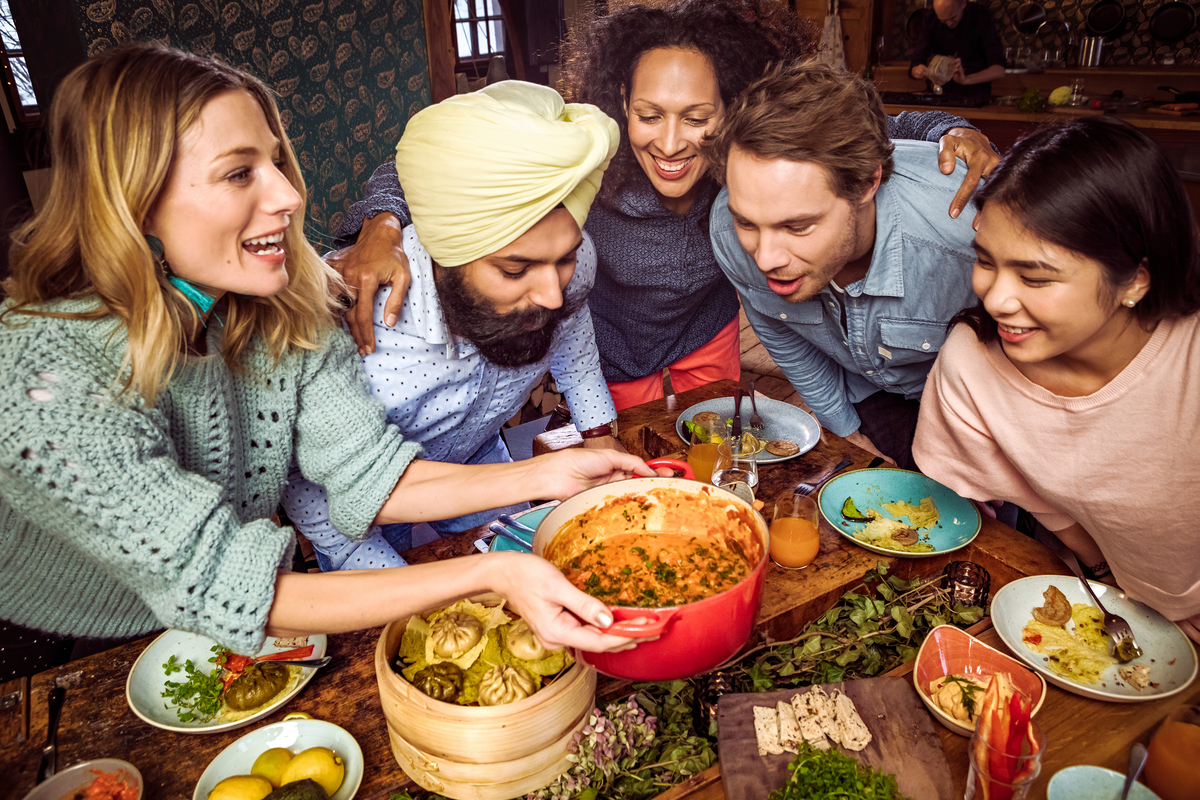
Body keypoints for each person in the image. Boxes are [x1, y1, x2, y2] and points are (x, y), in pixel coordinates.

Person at [0, 43, 659, 681]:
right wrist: (490, 572)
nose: (288, 194)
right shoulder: (45, 375)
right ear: (132, 200)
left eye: (277, 161)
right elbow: (227, 575)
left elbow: (371, 476)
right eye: (240, 172)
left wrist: (551, 472)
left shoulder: (284, 304)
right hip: (57, 644)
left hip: (217, 612)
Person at [335, 0, 1000, 413]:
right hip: (618, 349)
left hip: (706, 332)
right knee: (634, 468)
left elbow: (866, 128)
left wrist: (951, 130)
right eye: (650, 115)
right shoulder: (586, 153)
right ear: (622, 102)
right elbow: (425, 162)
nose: (673, 144)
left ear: (730, 109)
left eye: (696, 117)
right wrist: (382, 225)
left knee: (716, 451)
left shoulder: (745, 154)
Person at [282, 81, 621, 569]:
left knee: (531, 569)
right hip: (349, 509)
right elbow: (310, 485)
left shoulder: (570, 262)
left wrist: (600, 431)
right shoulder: (346, 314)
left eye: (563, 260)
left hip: (477, 457)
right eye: (513, 270)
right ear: (444, 260)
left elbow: (574, 340)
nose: (552, 294)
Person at [912, 118, 1200, 643]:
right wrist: (1111, 584)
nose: (995, 299)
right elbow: (1038, 496)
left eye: (1035, 277)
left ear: (1135, 278)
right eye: (984, 262)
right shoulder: (973, 365)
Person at [706, 63, 980, 470]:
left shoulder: (966, 238)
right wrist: (846, 432)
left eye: (797, 226)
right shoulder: (728, 227)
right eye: (748, 222)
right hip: (866, 391)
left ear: (867, 184)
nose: (764, 258)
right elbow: (781, 329)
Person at [909, 0, 1006, 101]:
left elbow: (999, 70)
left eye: (953, 17)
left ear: (963, 3)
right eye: (943, 20)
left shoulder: (980, 15)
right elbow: (916, 63)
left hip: (976, 97)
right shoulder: (930, 18)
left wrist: (966, 80)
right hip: (940, 96)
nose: (949, 24)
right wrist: (918, 71)